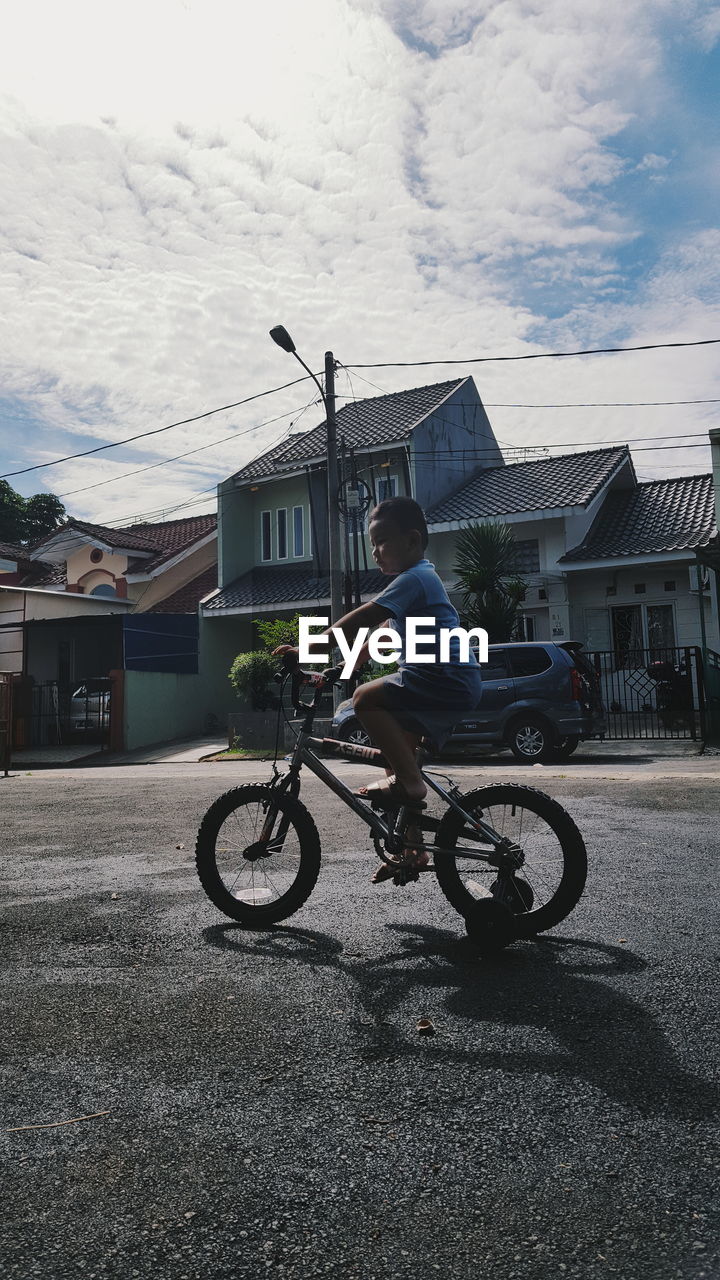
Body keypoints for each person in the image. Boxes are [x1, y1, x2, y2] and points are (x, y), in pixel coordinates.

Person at [275, 496, 483, 882]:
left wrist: (308, 648)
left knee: (365, 699)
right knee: (396, 755)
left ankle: (411, 784)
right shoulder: (417, 585)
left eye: (382, 541)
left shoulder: (415, 578)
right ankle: (413, 848)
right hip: (449, 681)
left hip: (443, 677)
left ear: (412, 540)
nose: (375, 552)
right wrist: (343, 667)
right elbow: (381, 637)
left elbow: (364, 619)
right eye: (371, 543)